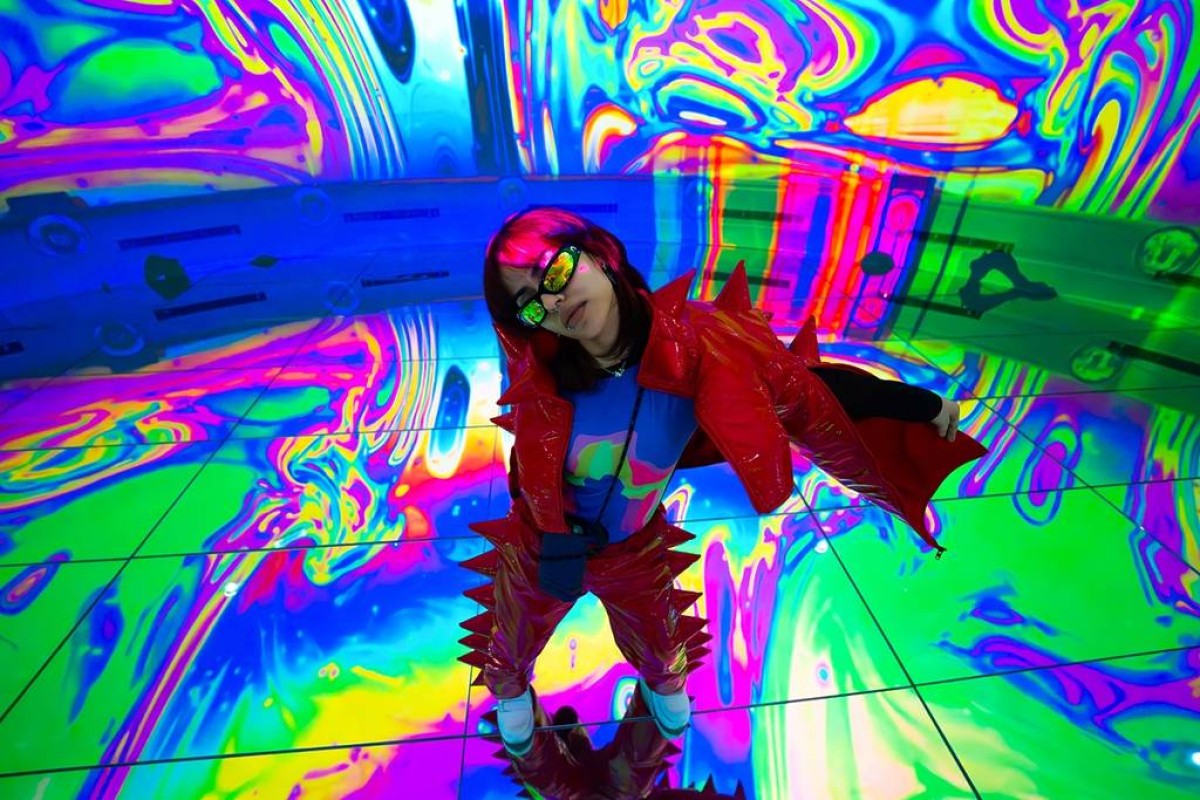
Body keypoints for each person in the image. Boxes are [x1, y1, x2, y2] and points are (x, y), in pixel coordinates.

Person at [459, 207, 987, 757]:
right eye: (531, 302)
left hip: (633, 548)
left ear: (599, 254)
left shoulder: (701, 345)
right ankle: (511, 688)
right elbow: (530, 462)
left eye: (557, 270)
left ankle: (662, 683)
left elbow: (807, 394)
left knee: (662, 650)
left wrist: (917, 404)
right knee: (511, 637)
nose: (553, 301)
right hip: (542, 540)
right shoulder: (543, 373)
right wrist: (547, 532)